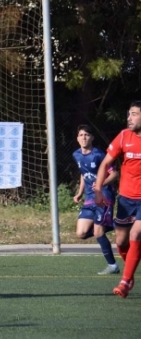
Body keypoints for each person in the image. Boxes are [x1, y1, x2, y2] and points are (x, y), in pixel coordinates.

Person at [95, 100, 141, 298]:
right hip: (126, 199)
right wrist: (98, 189)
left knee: (136, 235)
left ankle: (124, 282)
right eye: (129, 113)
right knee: (121, 242)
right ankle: (129, 274)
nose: (129, 118)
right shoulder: (123, 136)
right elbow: (106, 163)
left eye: (134, 114)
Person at [72, 125, 120, 275]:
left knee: (98, 232)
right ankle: (118, 225)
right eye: (81, 135)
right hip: (89, 199)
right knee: (81, 233)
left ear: (92, 137)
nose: (84, 137)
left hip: (104, 196)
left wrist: (101, 183)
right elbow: (83, 173)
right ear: (77, 138)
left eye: (87, 135)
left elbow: (115, 174)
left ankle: (113, 266)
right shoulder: (76, 154)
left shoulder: (99, 154)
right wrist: (80, 193)